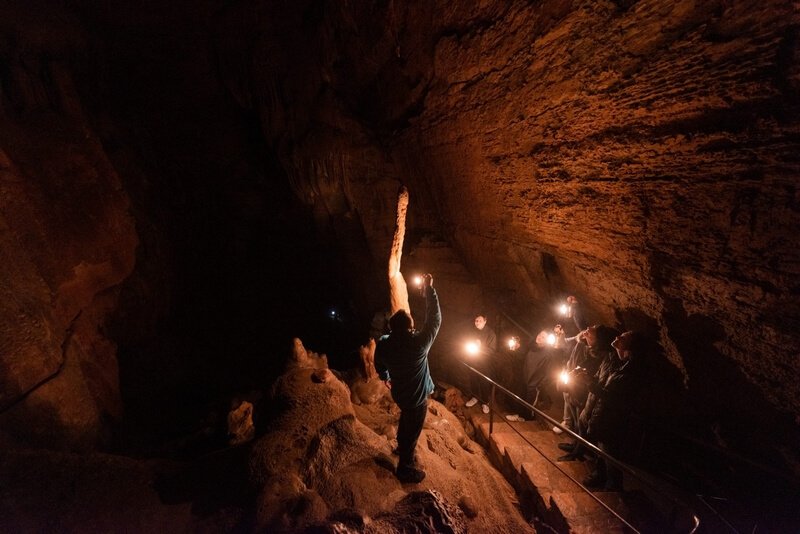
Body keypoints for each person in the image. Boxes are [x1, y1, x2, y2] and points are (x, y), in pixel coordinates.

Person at [375, 273, 442, 484]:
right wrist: (429, 290)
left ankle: (401, 446)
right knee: (413, 429)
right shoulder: (419, 345)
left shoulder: (384, 343)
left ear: (392, 327)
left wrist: (385, 376)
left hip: (400, 394)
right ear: (410, 326)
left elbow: (379, 365)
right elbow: (434, 320)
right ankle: (405, 468)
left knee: (406, 418)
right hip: (417, 398)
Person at [579, 330, 644, 491]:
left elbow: (613, 397)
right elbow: (601, 382)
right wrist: (587, 377)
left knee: (610, 455)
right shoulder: (613, 360)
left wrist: (590, 383)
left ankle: (614, 491)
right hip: (600, 413)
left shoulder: (632, 371)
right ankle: (599, 475)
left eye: (622, 338)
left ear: (630, 346)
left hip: (613, 418)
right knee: (601, 450)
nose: (617, 337)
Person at [557, 324, 620, 461]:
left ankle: (579, 451)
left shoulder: (602, 356)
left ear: (598, 341)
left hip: (586, 392)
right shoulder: (596, 351)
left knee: (583, 424)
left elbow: (598, 378)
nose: (587, 331)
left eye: (591, 333)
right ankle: (576, 446)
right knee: (577, 421)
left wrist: (585, 378)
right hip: (582, 389)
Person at [464, 313, 497, 414]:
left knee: (484, 382)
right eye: (476, 321)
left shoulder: (491, 334)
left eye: (480, 321)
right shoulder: (472, 331)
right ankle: (475, 397)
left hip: (485, 363)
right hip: (473, 360)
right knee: (473, 379)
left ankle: (485, 402)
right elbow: (466, 342)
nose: (477, 323)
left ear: (485, 321)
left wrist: (480, 347)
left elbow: (492, 350)